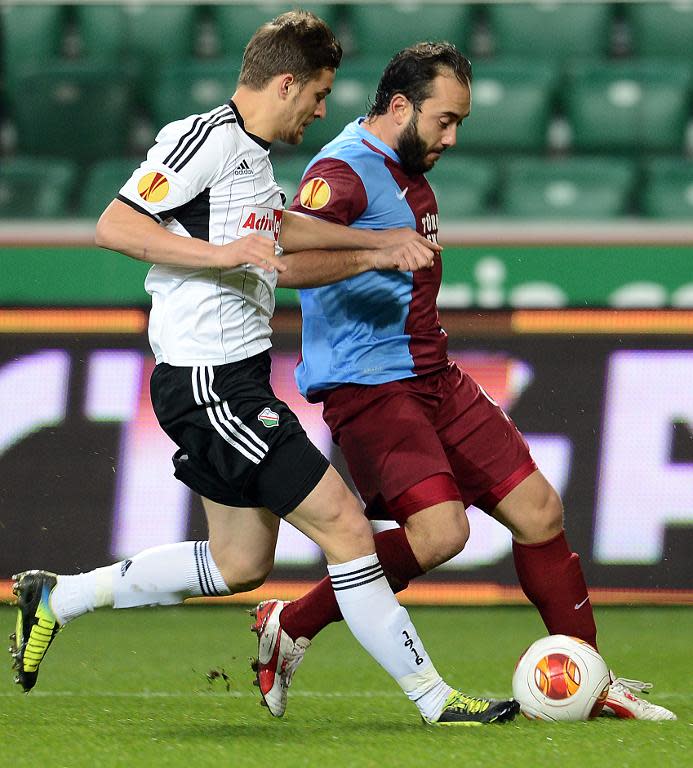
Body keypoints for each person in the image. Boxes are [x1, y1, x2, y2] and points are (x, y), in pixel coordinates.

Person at [9, 13, 519, 726]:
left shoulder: (249, 158)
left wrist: (375, 244)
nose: (319, 109)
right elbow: (116, 226)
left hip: (234, 380)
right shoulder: (204, 141)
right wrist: (224, 256)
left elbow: (281, 227)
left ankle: (56, 598)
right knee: (344, 525)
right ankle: (437, 701)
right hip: (209, 383)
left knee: (238, 562)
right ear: (285, 83)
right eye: (316, 95)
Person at [251, 41, 677, 722]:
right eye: (444, 120)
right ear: (399, 106)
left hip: (433, 376)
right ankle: (295, 621)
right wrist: (373, 251)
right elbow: (276, 262)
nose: (451, 136)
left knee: (539, 511)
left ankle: (591, 681)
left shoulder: (405, 165)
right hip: (370, 388)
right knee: (440, 535)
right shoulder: (343, 171)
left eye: (459, 123)